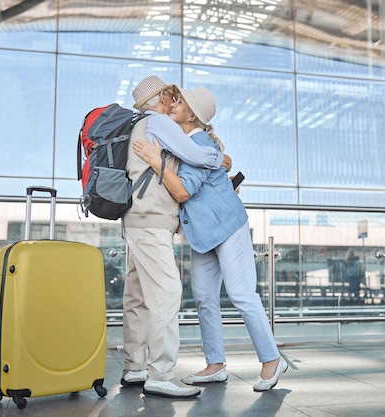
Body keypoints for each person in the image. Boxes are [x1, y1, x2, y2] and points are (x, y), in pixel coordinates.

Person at [133, 86, 287, 392]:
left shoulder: (198, 141)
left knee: (242, 294)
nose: (174, 104)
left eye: (180, 101)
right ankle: (215, 364)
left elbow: (182, 191)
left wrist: (155, 160)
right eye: (174, 99)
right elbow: (212, 167)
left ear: (193, 114)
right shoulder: (183, 143)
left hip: (227, 226)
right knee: (204, 299)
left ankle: (272, 359)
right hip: (203, 235)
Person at [120, 75, 231, 399]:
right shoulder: (157, 122)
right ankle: (161, 374)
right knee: (167, 293)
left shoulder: (139, 123)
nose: (173, 102)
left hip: (136, 220)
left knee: (137, 299)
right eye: (171, 96)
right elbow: (197, 155)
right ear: (161, 97)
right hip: (151, 223)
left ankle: (135, 367)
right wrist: (220, 159)